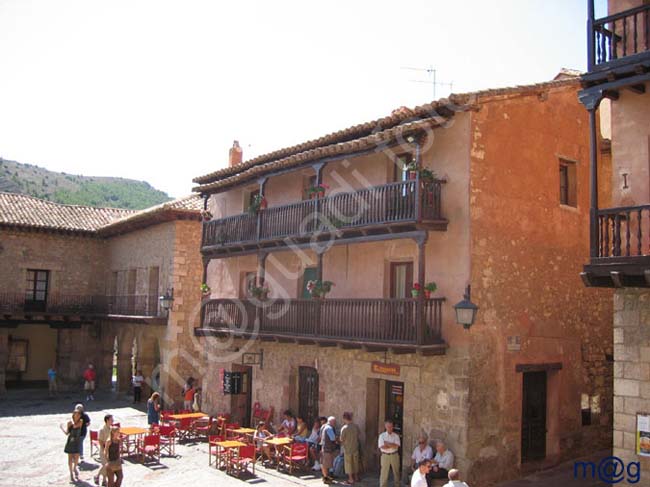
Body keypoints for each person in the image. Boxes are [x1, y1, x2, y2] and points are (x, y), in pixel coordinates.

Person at [340, 412, 361, 485]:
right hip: (355, 447)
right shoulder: (356, 426)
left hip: (348, 448)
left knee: (348, 464)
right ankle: (356, 477)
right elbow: (358, 435)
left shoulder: (344, 428)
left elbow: (342, 439)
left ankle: (350, 479)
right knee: (355, 463)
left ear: (344, 418)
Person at [61, 410, 83, 482]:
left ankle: (74, 468)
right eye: (76, 414)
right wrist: (62, 428)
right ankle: (71, 473)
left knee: (76, 458)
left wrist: (72, 422)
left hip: (77, 441)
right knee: (70, 458)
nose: (78, 416)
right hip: (70, 441)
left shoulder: (80, 421)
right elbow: (67, 433)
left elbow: (76, 426)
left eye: (79, 415)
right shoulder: (69, 423)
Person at [378, 420, 401, 487]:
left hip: (394, 455)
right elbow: (382, 447)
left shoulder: (396, 436)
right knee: (384, 472)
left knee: (396, 472)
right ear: (385, 426)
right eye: (388, 426)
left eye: (391, 426)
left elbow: (397, 446)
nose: (390, 428)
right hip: (385, 456)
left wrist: (387, 443)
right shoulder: (382, 436)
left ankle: (397, 485)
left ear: (393, 427)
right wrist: (392, 445)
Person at [94, 414, 113, 486]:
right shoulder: (102, 429)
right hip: (103, 449)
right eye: (111, 419)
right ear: (107, 420)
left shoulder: (111, 428)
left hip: (109, 449)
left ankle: (104, 480)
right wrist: (104, 450)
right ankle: (97, 475)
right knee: (106, 465)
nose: (112, 421)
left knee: (107, 466)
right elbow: (100, 441)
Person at [320, 416, 338, 484]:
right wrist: (338, 439)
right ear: (331, 422)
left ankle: (325, 477)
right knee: (326, 464)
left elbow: (320, 436)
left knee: (323, 463)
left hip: (323, 447)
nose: (335, 423)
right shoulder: (329, 428)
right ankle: (326, 478)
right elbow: (333, 438)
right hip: (328, 449)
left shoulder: (323, 426)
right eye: (334, 422)